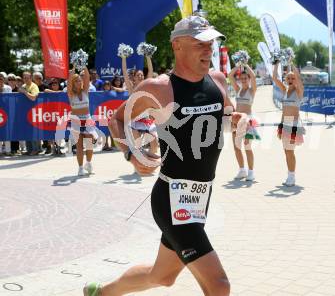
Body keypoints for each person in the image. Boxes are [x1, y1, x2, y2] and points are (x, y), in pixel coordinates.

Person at [84, 15, 245, 296]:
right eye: (200, 43)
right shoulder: (158, 88)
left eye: (211, 43)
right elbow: (116, 120)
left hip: (201, 196)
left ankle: (102, 293)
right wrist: (132, 155)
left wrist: (238, 120)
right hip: (171, 198)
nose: (208, 49)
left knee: (162, 276)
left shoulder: (218, 81)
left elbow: (227, 114)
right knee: (219, 286)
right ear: (177, 46)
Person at [121, 50, 159, 158]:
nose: (141, 76)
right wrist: (123, 58)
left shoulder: (147, 86)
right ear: (134, 77)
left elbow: (151, 70)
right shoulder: (131, 88)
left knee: (155, 143)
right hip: (135, 120)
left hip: (146, 118)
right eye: (138, 75)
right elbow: (124, 72)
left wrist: (148, 56)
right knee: (138, 146)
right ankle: (139, 161)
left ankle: (148, 161)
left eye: (142, 75)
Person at [272, 62, 304, 186]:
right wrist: (276, 63)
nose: (290, 80)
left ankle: (292, 177)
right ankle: (290, 175)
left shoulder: (299, 90)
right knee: (286, 151)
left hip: (294, 124)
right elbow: (274, 78)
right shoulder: (284, 90)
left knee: (290, 151)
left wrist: (291, 63)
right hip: (284, 124)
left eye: (293, 78)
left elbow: (299, 79)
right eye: (288, 78)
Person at [228, 63, 258, 181]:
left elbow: (254, 76)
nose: (244, 80)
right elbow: (230, 75)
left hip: (248, 120)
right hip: (236, 121)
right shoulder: (238, 89)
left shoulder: (252, 90)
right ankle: (242, 170)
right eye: (242, 78)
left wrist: (245, 65)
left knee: (247, 147)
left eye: (246, 78)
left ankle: (251, 172)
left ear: (249, 79)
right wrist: (238, 65)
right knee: (236, 147)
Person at [67, 67, 98, 176]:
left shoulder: (86, 91)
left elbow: (87, 77)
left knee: (89, 144)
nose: (79, 82)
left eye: (80, 80)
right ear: (73, 83)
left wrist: (84, 65)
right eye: (76, 81)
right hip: (76, 122)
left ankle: (88, 164)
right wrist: (73, 70)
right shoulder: (70, 94)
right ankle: (80, 168)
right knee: (79, 146)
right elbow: (68, 84)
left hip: (87, 120)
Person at [19, 71, 41, 155]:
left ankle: (36, 149)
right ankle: (29, 149)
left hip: (34, 112)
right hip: (26, 112)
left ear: (31, 78)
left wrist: (24, 92)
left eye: (27, 78)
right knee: (27, 130)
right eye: (24, 78)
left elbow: (33, 98)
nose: (26, 79)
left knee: (33, 131)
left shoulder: (34, 86)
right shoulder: (24, 86)